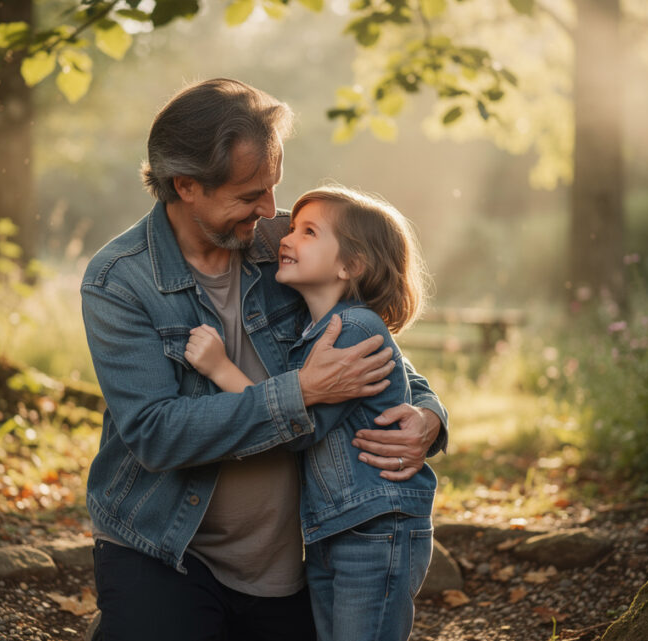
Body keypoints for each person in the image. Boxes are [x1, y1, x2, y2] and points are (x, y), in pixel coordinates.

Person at [80, 78, 447, 641]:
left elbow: (372, 347)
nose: (271, 209)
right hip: (164, 546)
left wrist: (426, 415)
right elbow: (154, 433)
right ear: (187, 187)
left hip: (283, 564)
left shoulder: (283, 245)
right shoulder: (119, 281)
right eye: (250, 194)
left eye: (272, 186)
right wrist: (301, 392)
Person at [185, 185, 437, 641]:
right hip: (335, 527)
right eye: (293, 228)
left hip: (374, 527)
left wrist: (221, 368)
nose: (286, 238)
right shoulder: (315, 329)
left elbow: (297, 427)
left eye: (308, 232)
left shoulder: (355, 328)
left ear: (350, 265)